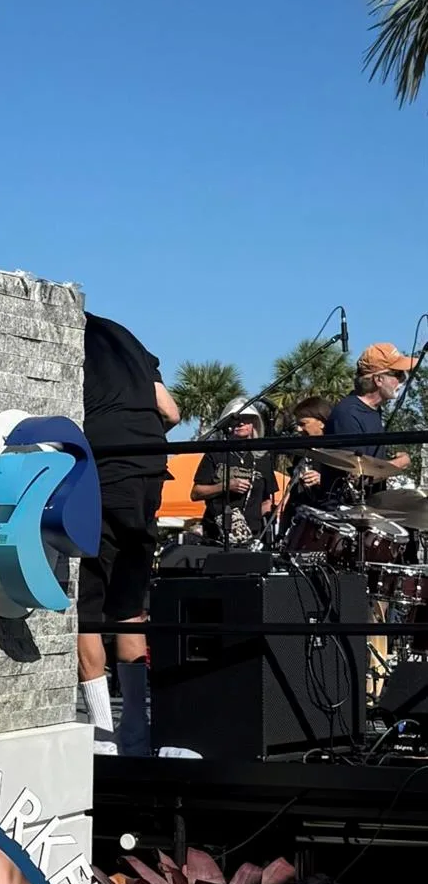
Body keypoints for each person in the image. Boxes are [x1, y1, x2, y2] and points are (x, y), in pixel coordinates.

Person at [78, 313, 180, 757]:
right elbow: (171, 411)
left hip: (103, 467)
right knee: (129, 604)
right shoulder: (125, 337)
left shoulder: (67, 332)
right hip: (149, 467)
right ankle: (136, 731)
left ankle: (102, 735)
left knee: (85, 606)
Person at [317, 343, 416, 506]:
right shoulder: (348, 414)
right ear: (378, 379)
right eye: (398, 374)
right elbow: (355, 478)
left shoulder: (373, 410)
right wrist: (398, 464)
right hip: (346, 511)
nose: (403, 379)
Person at [190, 397, 278, 546]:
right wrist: (226, 486)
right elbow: (195, 493)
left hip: (252, 536)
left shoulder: (262, 457)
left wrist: (265, 529)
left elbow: (266, 500)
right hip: (216, 535)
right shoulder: (215, 454)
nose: (241, 423)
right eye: (236, 419)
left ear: (254, 423)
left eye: (246, 419)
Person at [277, 396, 331, 534]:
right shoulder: (301, 453)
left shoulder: (337, 453)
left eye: (303, 424)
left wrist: (323, 479)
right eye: (297, 424)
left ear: (321, 422)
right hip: (298, 521)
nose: (299, 429)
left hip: (325, 524)